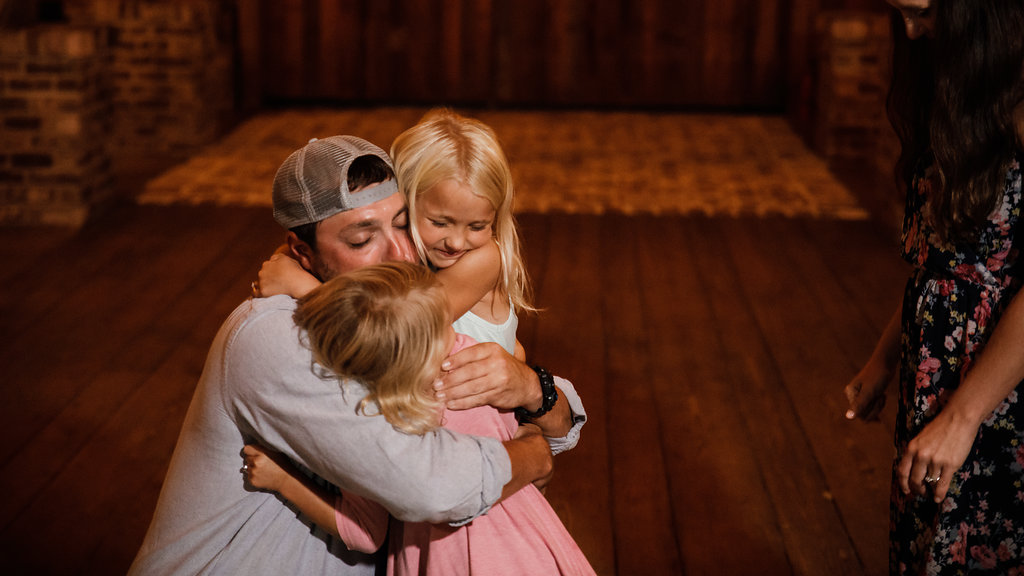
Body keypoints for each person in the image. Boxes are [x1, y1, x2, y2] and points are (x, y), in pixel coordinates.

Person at [128, 135, 587, 575]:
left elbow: (558, 414)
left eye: (404, 224)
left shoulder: (396, 311)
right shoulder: (278, 336)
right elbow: (435, 485)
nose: (399, 253)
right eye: (360, 238)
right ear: (301, 253)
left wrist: (531, 386)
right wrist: (533, 455)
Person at [242, 262, 596, 575]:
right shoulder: (467, 360)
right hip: (528, 544)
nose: (456, 329)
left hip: (446, 559)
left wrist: (282, 479)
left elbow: (365, 532)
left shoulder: (381, 417)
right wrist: (531, 439)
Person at [843, 1, 1024, 573]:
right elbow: (948, 269)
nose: (911, 32)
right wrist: (884, 358)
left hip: (1000, 400)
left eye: (921, 12)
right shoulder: (962, 86)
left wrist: (964, 417)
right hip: (942, 386)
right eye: (897, 13)